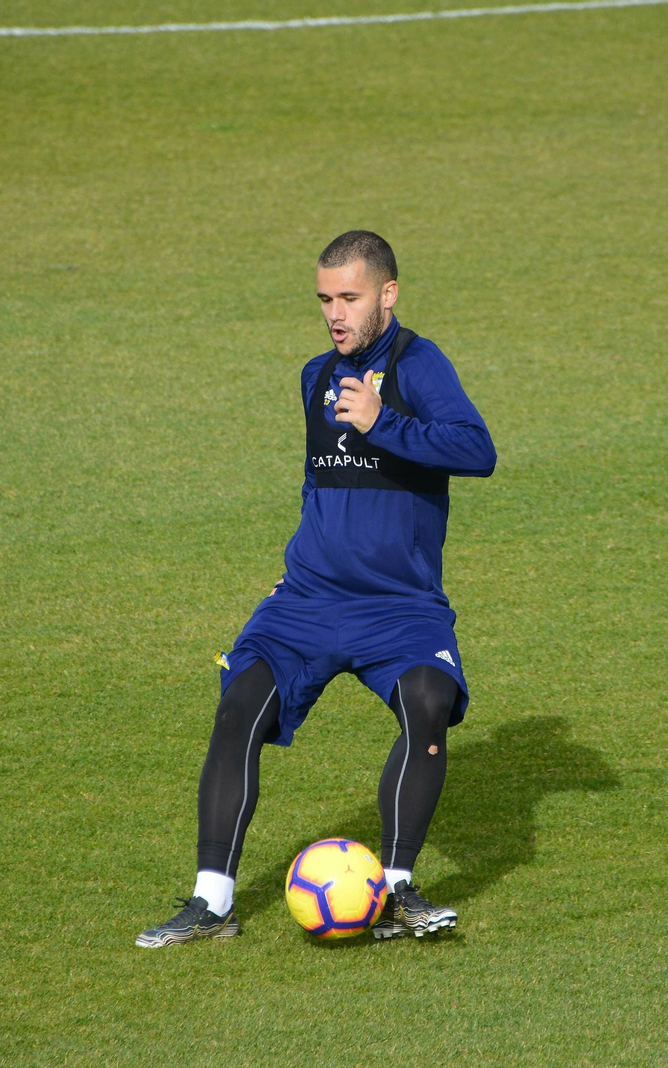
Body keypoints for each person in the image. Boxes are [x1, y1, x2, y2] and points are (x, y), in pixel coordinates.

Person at [136, 230, 497, 948]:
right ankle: (212, 904)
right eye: (325, 299)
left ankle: (395, 891)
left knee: (427, 705)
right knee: (240, 705)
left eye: (350, 298)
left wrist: (382, 422)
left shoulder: (419, 367)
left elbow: (476, 450)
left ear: (387, 295)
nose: (335, 313)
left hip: (398, 606)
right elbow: (321, 480)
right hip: (307, 599)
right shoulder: (314, 376)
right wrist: (300, 558)